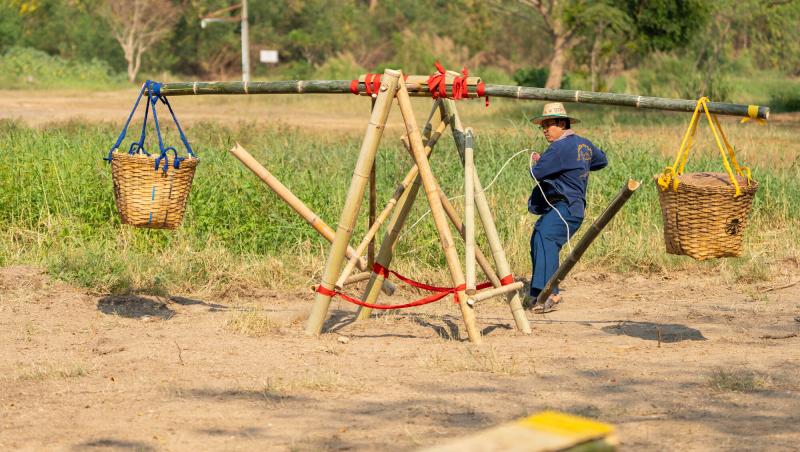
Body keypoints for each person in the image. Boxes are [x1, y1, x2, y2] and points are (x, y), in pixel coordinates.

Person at [527, 102, 608, 313]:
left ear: (562, 123)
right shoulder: (584, 144)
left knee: (546, 236)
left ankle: (550, 294)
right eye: (542, 126)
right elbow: (601, 161)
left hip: (567, 206)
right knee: (539, 236)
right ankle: (538, 293)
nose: (544, 129)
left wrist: (538, 162)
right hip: (573, 209)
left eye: (549, 124)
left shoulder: (559, 148)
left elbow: (537, 173)